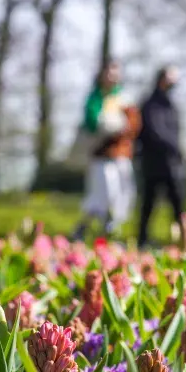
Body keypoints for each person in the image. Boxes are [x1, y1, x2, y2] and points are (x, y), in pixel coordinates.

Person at [71, 59, 140, 240]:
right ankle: (93, 227)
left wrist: (121, 127)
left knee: (123, 192)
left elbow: (133, 125)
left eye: (115, 72)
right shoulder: (95, 98)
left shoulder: (125, 99)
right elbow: (93, 123)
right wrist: (110, 125)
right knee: (103, 192)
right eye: (108, 72)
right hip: (101, 155)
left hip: (121, 154)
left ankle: (109, 228)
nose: (112, 76)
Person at [137, 65, 186, 249]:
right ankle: (142, 240)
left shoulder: (171, 105)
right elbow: (154, 132)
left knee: (178, 203)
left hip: (172, 164)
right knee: (148, 204)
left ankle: (184, 240)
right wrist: (175, 147)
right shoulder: (150, 104)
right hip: (154, 163)